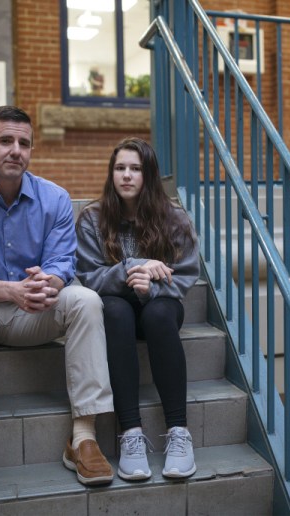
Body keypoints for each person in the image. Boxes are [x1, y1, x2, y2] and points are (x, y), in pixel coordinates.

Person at [0, 105, 115, 502]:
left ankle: (83, 437)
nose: (16, 150)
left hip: (35, 315)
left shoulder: (55, 198)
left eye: (24, 143)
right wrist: (11, 290)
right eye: (5, 141)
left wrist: (53, 282)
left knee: (85, 299)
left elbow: (63, 260)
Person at [75, 137, 199, 481]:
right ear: (111, 174)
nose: (126, 176)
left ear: (149, 175)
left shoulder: (173, 216)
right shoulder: (92, 217)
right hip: (117, 308)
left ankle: (179, 432)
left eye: (135, 169)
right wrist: (136, 268)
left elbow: (187, 272)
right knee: (113, 311)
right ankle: (130, 433)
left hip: (160, 304)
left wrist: (152, 286)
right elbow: (87, 275)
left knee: (160, 314)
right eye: (119, 168)